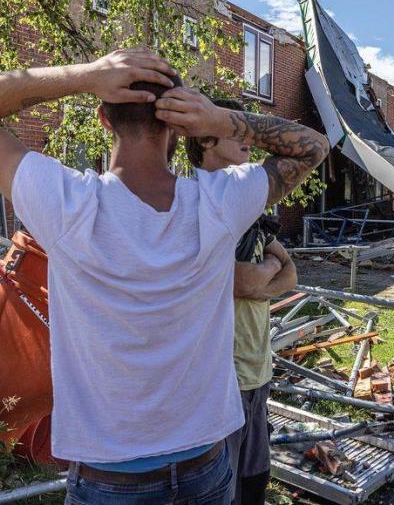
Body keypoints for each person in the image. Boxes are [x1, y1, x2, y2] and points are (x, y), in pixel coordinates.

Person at [0, 49, 329, 504]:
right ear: (177, 124)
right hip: (205, 466)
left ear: (103, 118)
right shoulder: (219, 203)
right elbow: (313, 145)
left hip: (109, 478)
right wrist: (220, 119)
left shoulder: (65, 204)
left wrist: (83, 76)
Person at [185, 100, 298, 505]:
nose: (249, 139)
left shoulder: (246, 210)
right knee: (222, 489)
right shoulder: (195, 203)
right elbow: (240, 278)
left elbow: (288, 273)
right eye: (237, 131)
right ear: (206, 140)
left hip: (257, 369)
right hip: (222, 377)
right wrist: (261, 275)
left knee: (254, 483)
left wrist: (260, 282)